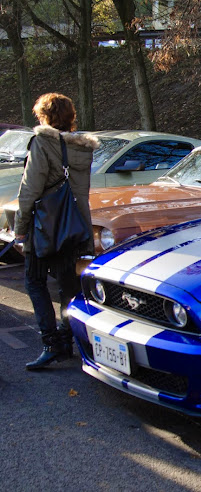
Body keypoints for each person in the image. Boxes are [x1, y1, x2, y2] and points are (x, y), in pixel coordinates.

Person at [14, 93, 99, 370]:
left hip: (47, 227)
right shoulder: (82, 148)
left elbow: (30, 191)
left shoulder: (42, 143)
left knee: (34, 281)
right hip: (74, 225)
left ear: (45, 116)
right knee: (68, 285)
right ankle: (67, 340)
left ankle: (51, 344)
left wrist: (20, 230)